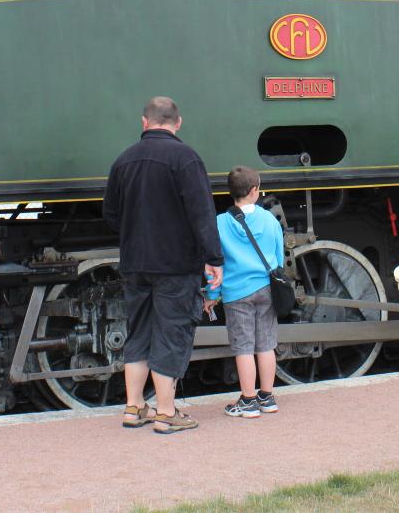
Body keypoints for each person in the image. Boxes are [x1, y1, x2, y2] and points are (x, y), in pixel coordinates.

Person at [103, 96, 224, 435]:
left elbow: (110, 214)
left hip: (135, 262)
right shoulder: (186, 159)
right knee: (171, 332)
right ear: (178, 122)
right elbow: (202, 214)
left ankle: (134, 407)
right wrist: (214, 258)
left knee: (139, 331)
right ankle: (166, 413)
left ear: (145, 122)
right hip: (175, 264)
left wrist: (135, 234)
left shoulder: (123, 160)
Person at [204, 165, 286, 418]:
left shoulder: (219, 223)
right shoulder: (269, 220)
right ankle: (267, 397)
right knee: (266, 345)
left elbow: (214, 263)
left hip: (236, 293)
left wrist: (211, 295)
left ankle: (248, 400)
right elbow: (279, 257)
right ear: (254, 190)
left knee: (244, 348)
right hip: (265, 288)